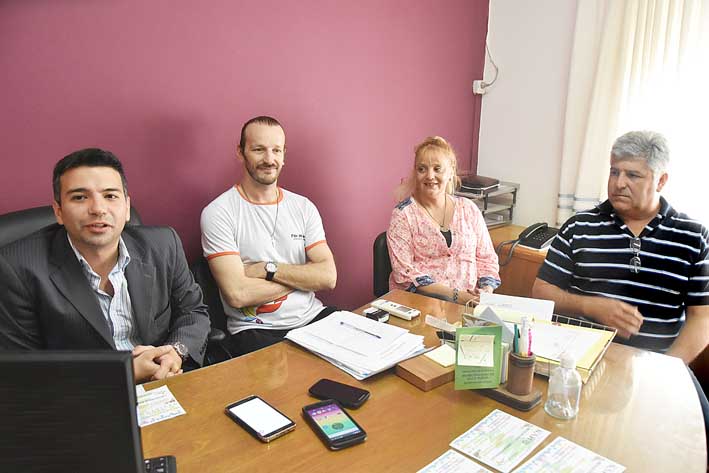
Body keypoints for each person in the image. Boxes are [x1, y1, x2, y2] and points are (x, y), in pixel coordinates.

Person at [0, 148, 211, 383]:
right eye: (80, 197)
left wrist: (175, 351)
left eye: (110, 196)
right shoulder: (17, 267)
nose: (98, 209)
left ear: (127, 206)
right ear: (58, 211)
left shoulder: (163, 245)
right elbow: (23, 371)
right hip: (83, 399)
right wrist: (122, 374)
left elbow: (193, 311)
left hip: (164, 381)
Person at [532, 131, 709, 360]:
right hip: (577, 360)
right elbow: (541, 292)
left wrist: (667, 370)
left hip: (657, 366)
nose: (619, 183)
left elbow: (701, 317)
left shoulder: (693, 236)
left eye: (633, 175)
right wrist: (592, 306)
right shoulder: (579, 226)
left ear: (661, 181)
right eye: (614, 172)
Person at [200, 116, 337, 355]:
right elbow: (238, 294)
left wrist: (267, 269)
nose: (269, 159)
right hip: (255, 331)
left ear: (284, 154)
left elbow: (328, 277)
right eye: (258, 149)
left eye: (276, 150)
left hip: (314, 317)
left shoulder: (304, 207)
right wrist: (302, 279)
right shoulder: (219, 213)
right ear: (240, 153)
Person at [387, 136, 500, 305]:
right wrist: (457, 296)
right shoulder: (403, 215)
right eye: (422, 169)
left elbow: (487, 259)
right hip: (422, 305)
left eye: (437, 169)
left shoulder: (468, 209)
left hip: (471, 305)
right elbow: (405, 272)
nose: (430, 176)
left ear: (450, 171)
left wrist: (485, 291)